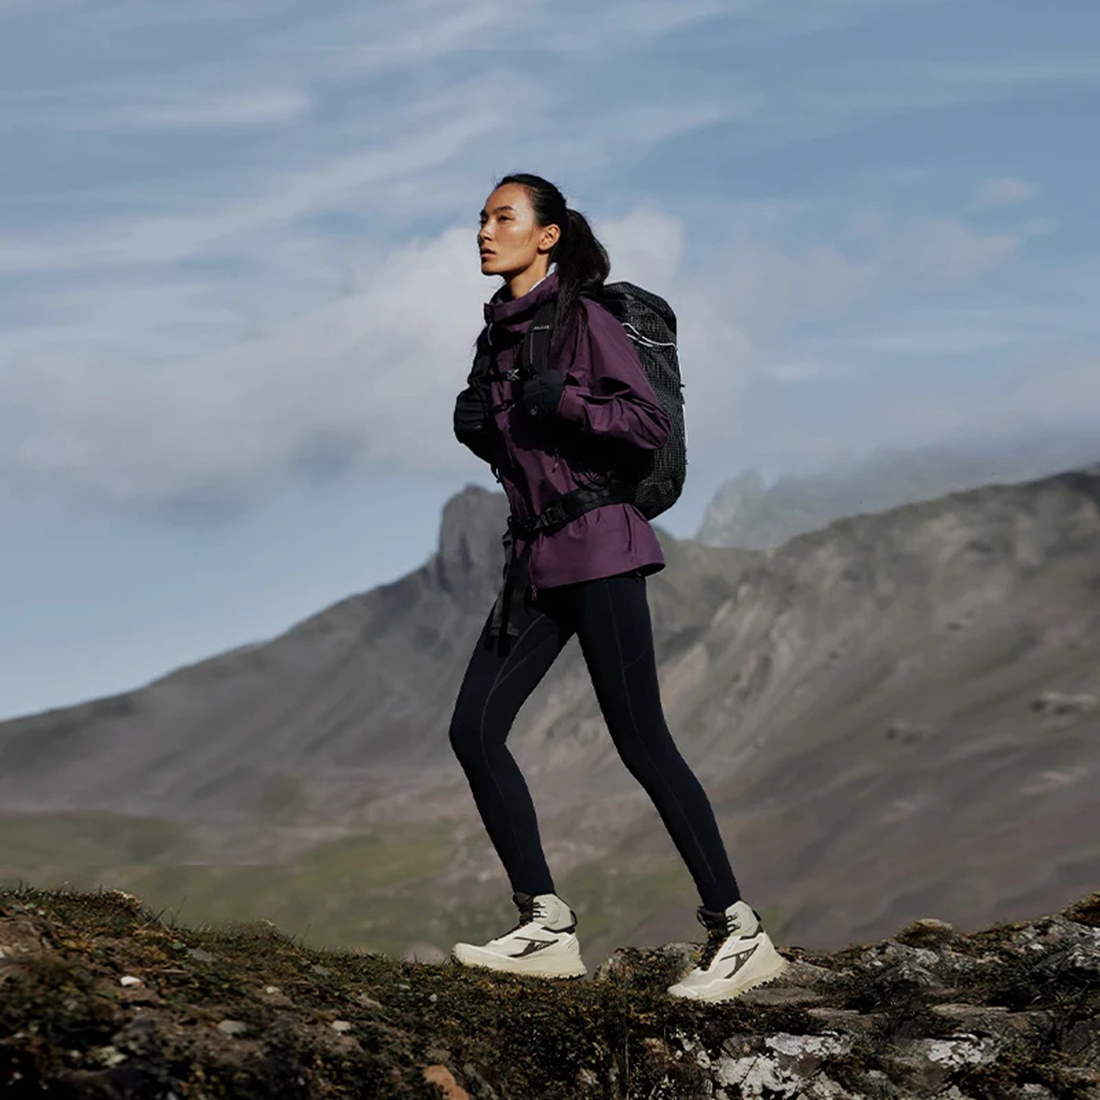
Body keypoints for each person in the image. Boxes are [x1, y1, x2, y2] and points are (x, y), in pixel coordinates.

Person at [447, 173, 787, 1002]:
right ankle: (546, 926)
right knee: (474, 730)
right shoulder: (495, 339)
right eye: (482, 219)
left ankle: (739, 932)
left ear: (548, 235)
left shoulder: (586, 319)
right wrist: (482, 432)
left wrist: (564, 398)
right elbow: (528, 456)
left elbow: (645, 426)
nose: (485, 232)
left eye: (503, 218)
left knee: (642, 743)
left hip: (601, 550)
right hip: (535, 565)